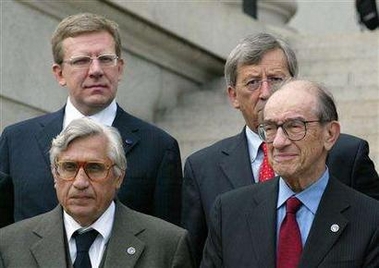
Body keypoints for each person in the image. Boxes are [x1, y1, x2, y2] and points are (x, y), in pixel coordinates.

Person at [181, 32, 379, 265]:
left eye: (276, 79)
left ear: (329, 135)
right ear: (233, 95)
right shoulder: (215, 187)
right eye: (253, 82)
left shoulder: (350, 159)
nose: (266, 93)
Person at [0, 13, 182, 228]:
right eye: (81, 61)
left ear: (120, 68)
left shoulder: (159, 147)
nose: (96, 70)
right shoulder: (17, 141)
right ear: (59, 74)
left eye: (105, 59)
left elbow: (168, 242)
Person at [0, 118, 194, 268]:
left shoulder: (168, 245)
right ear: (54, 175)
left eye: (94, 168)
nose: (80, 182)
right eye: (69, 167)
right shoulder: (10, 245)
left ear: (118, 177)